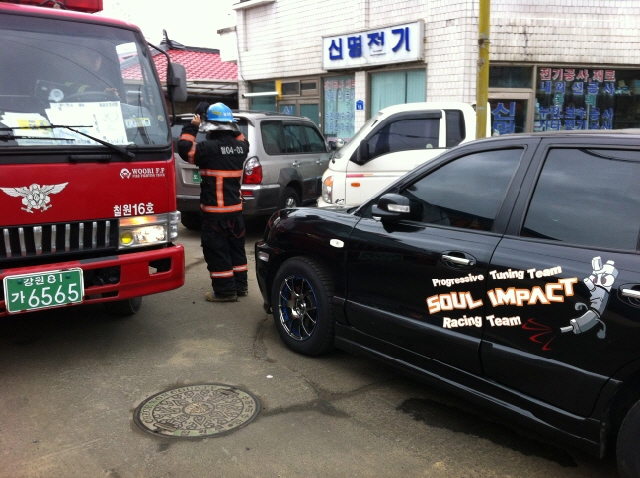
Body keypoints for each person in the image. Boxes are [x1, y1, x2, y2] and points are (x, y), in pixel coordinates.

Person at [177, 102, 250, 302]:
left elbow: (184, 148)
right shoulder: (241, 147)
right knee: (236, 250)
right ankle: (240, 286)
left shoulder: (207, 148)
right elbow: (241, 137)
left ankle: (225, 292)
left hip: (215, 214)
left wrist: (193, 125)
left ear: (210, 125)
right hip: (235, 212)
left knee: (217, 251)